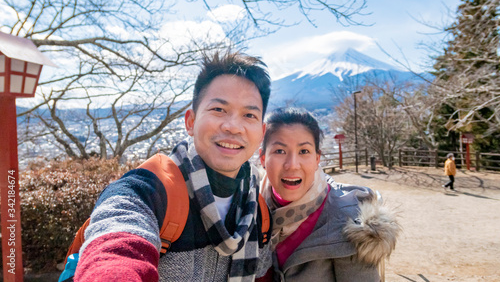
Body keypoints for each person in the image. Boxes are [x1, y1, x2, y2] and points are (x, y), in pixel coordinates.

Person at [73, 51, 273, 281]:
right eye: (218, 109)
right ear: (190, 121)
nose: (233, 127)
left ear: (261, 134)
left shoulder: (257, 209)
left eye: (249, 115)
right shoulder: (150, 190)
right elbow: (116, 247)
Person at [259, 108, 400, 281]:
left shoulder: (349, 221)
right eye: (279, 151)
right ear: (262, 158)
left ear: (317, 159)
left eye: (304, 151)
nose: (292, 165)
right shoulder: (249, 210)